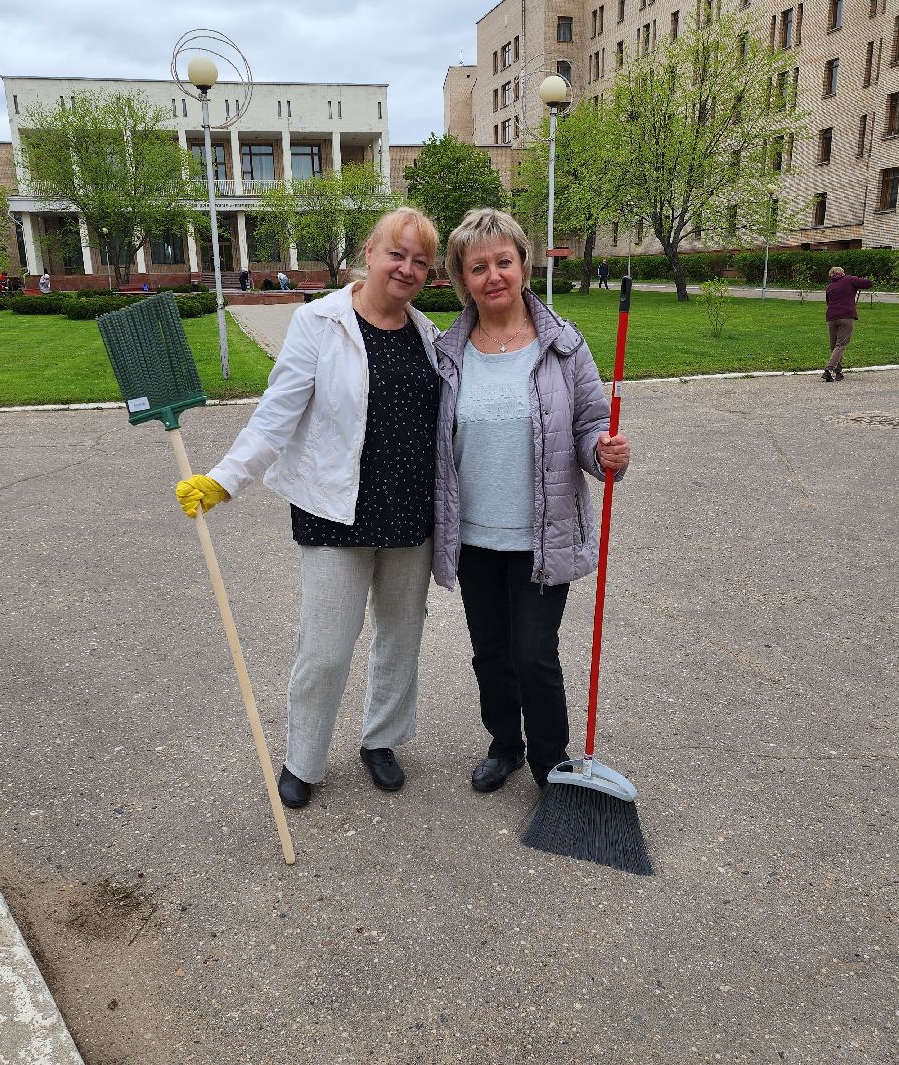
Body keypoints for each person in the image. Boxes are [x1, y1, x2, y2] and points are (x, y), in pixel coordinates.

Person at [174, 207, 442, 810]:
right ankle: (304, 757)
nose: (406, 268)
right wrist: (224, 480)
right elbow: (277, 413)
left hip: (410, 515)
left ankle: (383, 740)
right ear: (369, 253)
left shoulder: (429, 335)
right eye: (396, 254)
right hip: (333, 510)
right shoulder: (317, 323)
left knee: (400, 639)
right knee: (324, 648)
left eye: (420, 261)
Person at [432, 208, 631, 793]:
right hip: (473, 537)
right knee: (490, 653)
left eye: (503, 261)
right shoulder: (448, 353)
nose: (493, 275)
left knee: (535, 654)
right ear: (461, 278)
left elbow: (592, 424)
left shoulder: (564, 348)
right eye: (478, 267)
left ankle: (551, 762)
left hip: (543, 533)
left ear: (523, 263)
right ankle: (505, 744)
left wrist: (603, 452)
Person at [823, 265, 873, 382]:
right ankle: (829, 370)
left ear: (831, 275)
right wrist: (864, 279)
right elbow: (868, 284)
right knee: (840, 345)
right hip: (846, 316)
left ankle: (838, 372)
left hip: (831, 317)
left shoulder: (829, 287)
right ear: (842, 273)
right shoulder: (849, 279)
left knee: (834, 346)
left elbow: (828, 302)